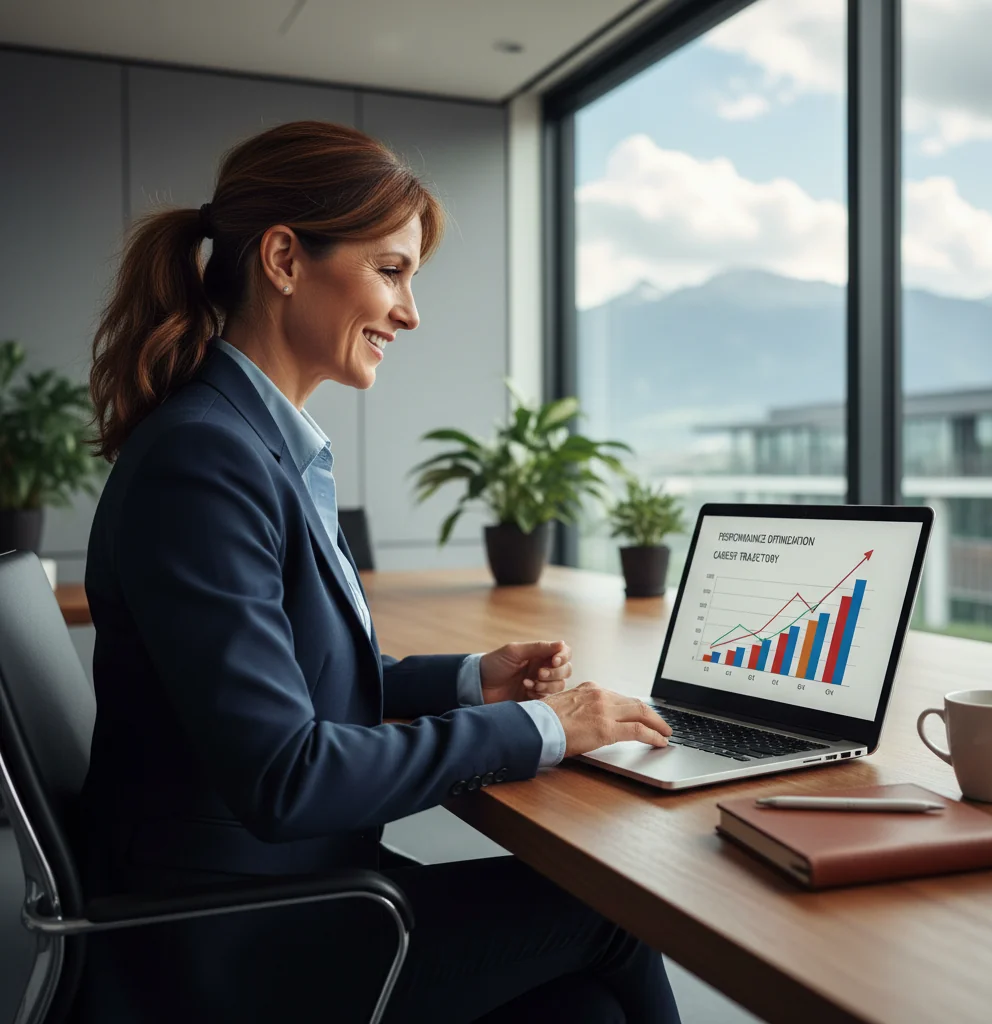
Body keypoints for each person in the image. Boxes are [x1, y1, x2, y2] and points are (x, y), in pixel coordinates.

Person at [75, 120, 680, 1023]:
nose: (410, 312)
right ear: (285, 259)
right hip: (235, 936)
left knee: (584, 1008)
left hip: (286, 885)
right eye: (391, 271)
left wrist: (472, 680)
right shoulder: (206, 459)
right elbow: (289, 773)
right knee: (619, 915)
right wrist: (544, 727)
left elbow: (296, 683)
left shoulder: (247, 443)